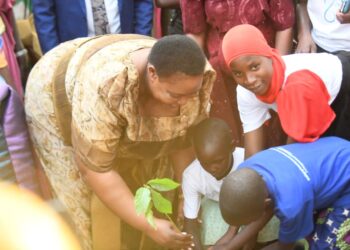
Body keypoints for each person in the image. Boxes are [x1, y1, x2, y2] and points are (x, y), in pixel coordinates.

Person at [25, 34, 215, 250]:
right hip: (55, 90)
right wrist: (148, 225)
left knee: (160, 188)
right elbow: (96, 170)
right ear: (152, 74)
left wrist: (186, 200)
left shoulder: (194, 77)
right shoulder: (104, 87)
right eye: (175, 96)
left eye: (190, 94)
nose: (185, 102)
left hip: (108, 78)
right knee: (82, 204)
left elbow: (182, 142)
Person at [222, 24, 350, 158]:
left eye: (254, 67)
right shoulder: (245, 91)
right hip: (313, 110)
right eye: (238, 73)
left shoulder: (296, 83)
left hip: (344, 92)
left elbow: (293, 155)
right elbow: (253, 151)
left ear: (269, 56)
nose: (249, 79)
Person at [180, 0, 295, 148]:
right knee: (230, 140)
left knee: (276, 136)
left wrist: (278, 74)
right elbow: (195, 32)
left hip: (265, 69)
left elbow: (284, 25)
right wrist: (202, 79)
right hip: (220, 75)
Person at [220, 136, 350, 250]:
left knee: (324, 245)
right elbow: (267, 207)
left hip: (346, 185)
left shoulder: (291, 206)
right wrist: (228, 246)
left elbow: (284, 247)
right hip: (334, 151)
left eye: (249, 220)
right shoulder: (247, 170)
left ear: (266, 203)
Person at [183, 118, 279, 249]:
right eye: (204, 163)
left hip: (254, 207)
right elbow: (190, 223)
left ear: (232, 147)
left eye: (218, 161)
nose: (212, 168)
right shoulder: (191, 176)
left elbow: (255, 209)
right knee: (209, 227)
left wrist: (237, 240)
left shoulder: (248, 163)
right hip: (218, 206)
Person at [32, 0, 154, 53]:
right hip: (74, 55)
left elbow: (143, 3)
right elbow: (44, 13)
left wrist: (140, 42)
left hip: (125, 50)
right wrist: (55, 56)